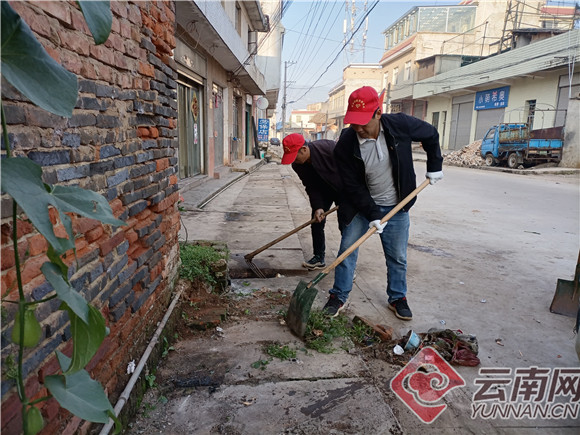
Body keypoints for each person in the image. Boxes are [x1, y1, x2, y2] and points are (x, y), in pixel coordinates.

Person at [322, 86, 443, 320]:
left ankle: (398, 297)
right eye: (353, 123)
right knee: (346, 251)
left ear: (378, 114)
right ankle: (339, 295)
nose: (358, 128)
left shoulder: (400, 125)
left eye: (363, 123)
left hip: (397, 205)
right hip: (360, 207)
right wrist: (372, 212)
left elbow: (431, 135)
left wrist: (435, 166)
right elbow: (351, 186)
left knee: (397, 256)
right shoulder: (346, 143)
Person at [281, 133, 342, 270]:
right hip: (323, 191)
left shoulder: (329, 149)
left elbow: (350, 172)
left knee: (346, 225)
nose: (294, 160)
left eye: (295, 156)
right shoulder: (298, 165)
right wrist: (318, 206)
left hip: (343, 190)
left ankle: (347, 264)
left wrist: (350, 196)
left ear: (303, 149)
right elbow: (310, 186)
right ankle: (319, 257)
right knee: (316, 221)